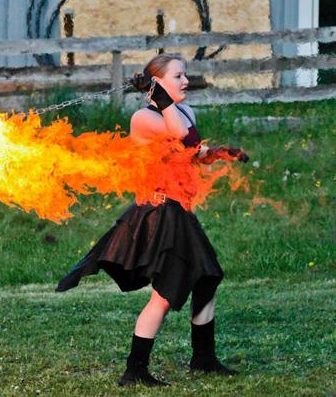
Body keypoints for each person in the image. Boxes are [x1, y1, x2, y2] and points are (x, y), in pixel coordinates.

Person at [55, 53, 249, 387]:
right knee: (163, 294)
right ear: (157, 84)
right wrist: (161, 100)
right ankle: (135, 370)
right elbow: (184, 139)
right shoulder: (143, 119)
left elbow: (195, 151)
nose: (185, 81)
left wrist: (219, 152)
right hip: (157, 214)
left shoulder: (184, 110)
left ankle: (203, 359)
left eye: (184, 75)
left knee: (207, 277)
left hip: (179, 213)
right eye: (177, 77)